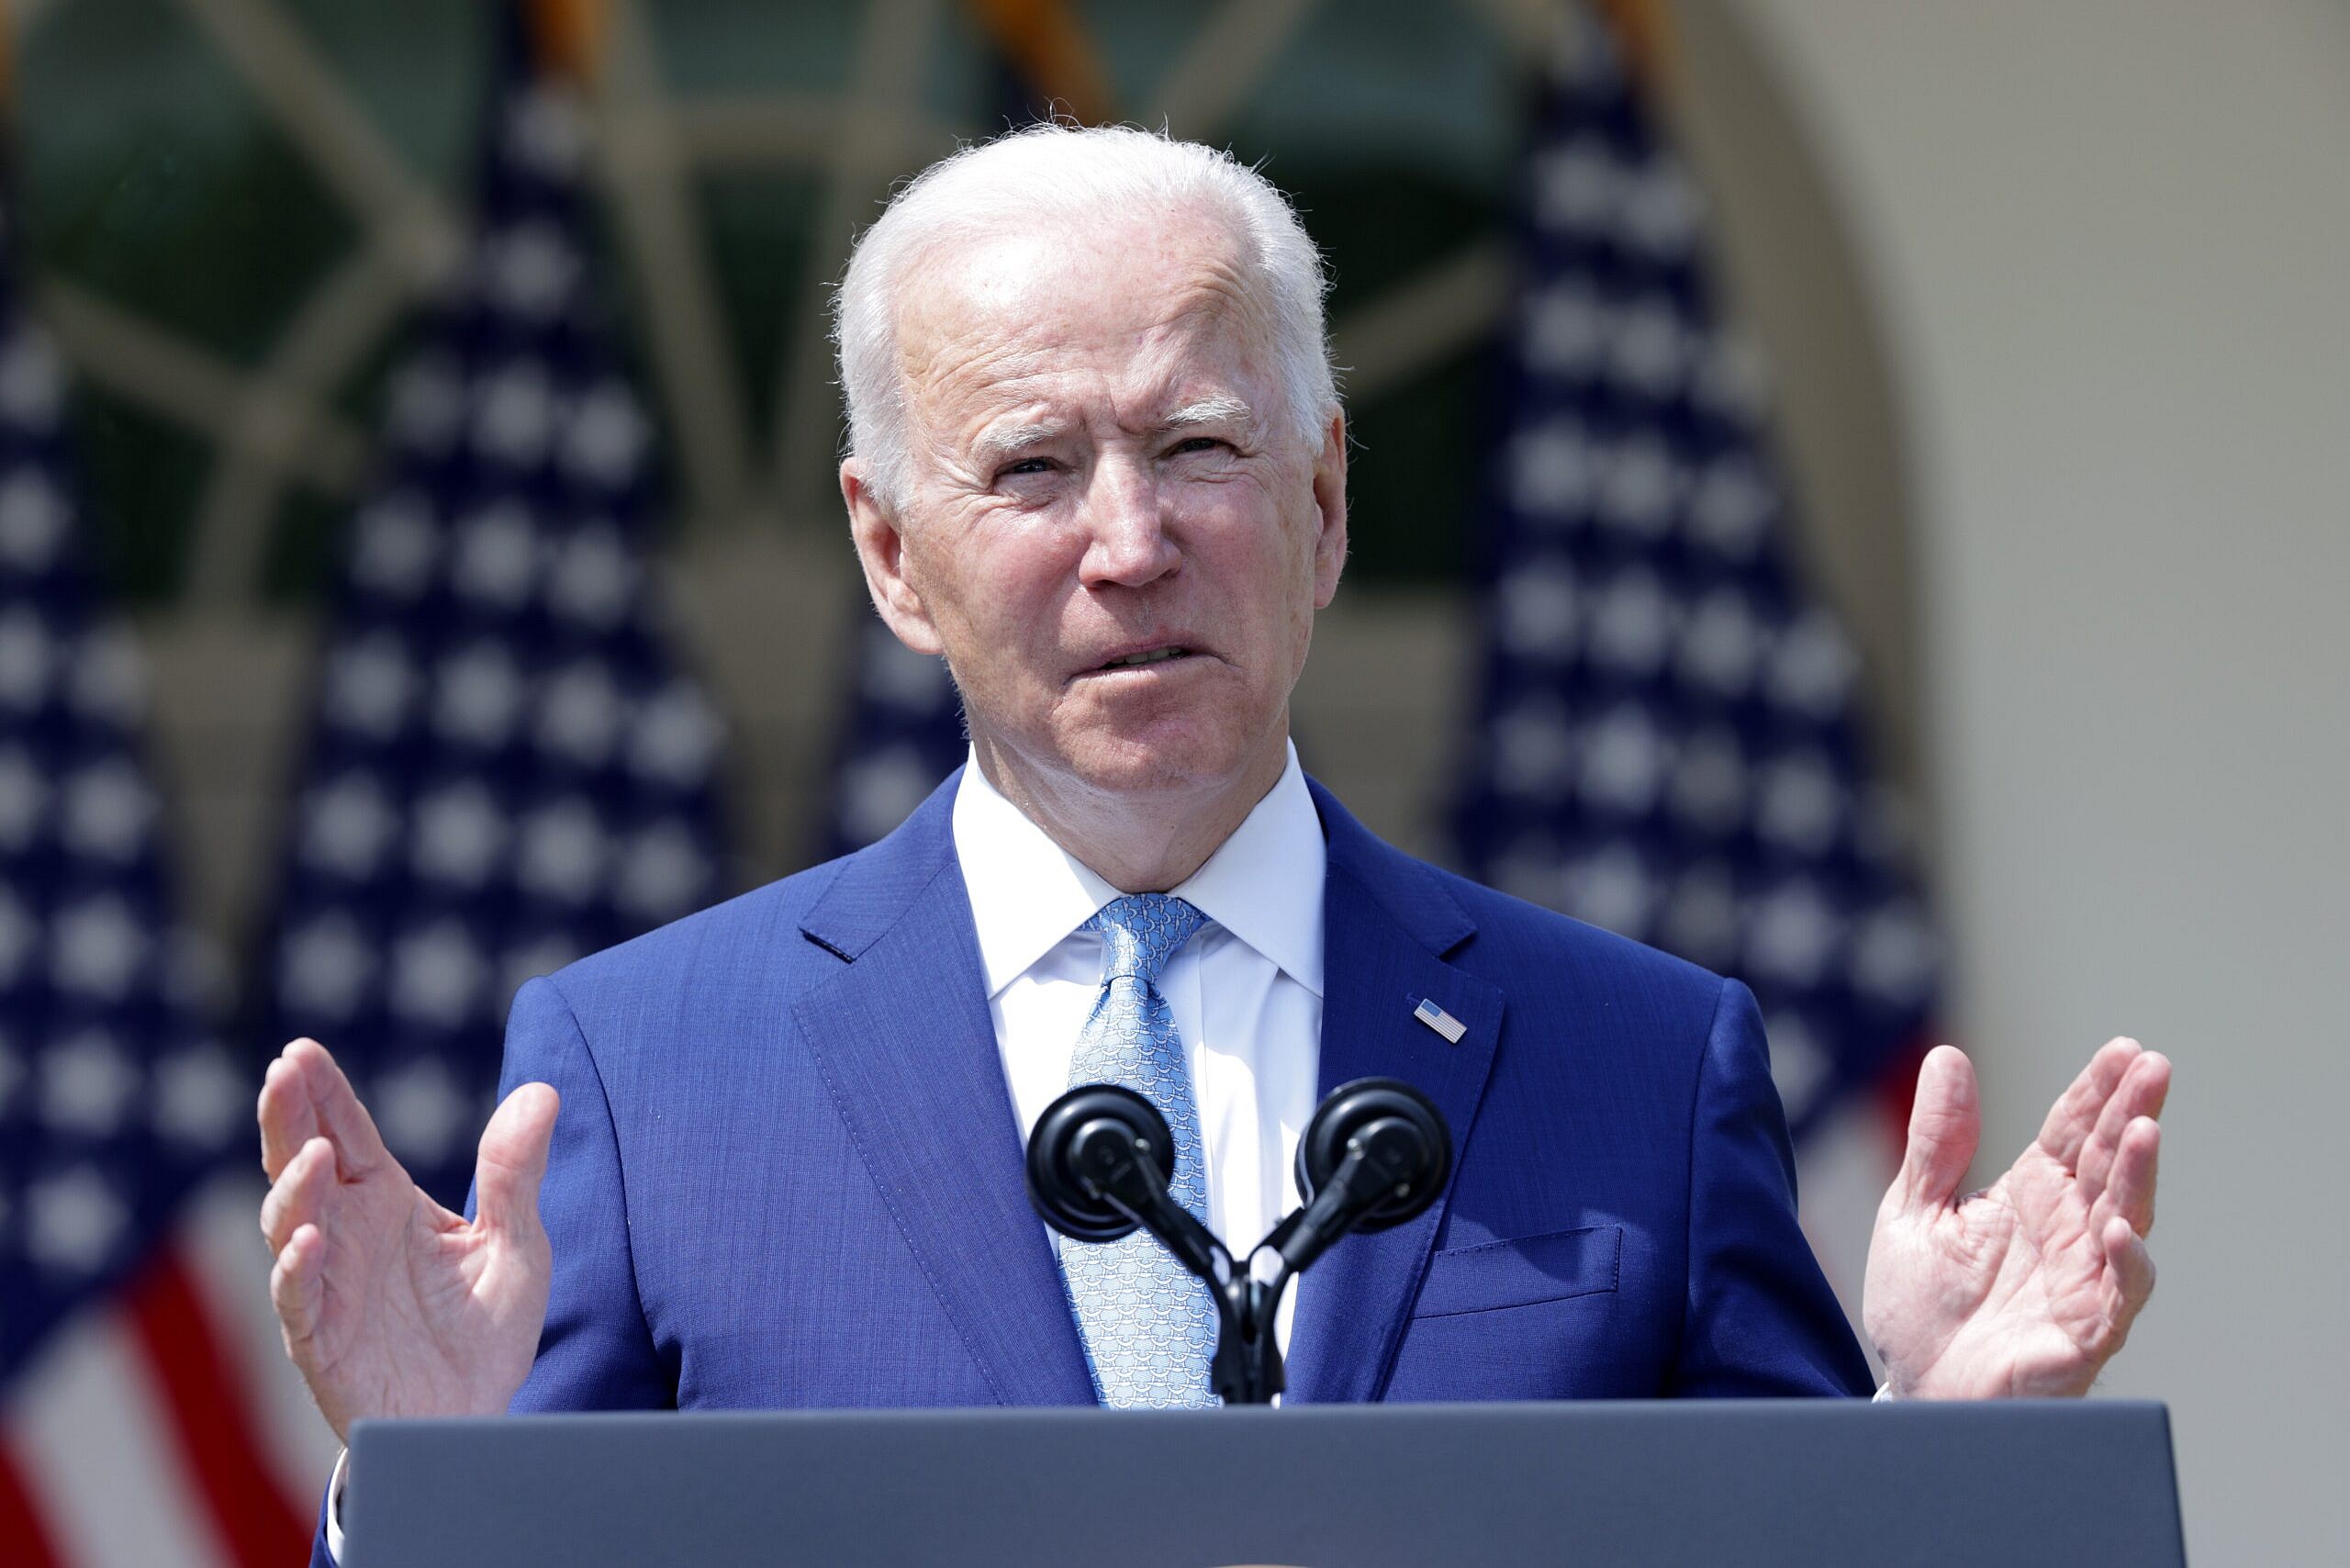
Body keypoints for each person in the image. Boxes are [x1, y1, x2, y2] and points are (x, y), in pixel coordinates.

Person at [256, 125, 2167, 1561]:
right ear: (884, 550)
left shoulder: (1644, 1066)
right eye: (1027, 466)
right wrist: (424, 1485)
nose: (1125, 542)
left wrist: (1941, 1444)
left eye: (1195, 449)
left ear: (1324, 502)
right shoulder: (646, 1073)